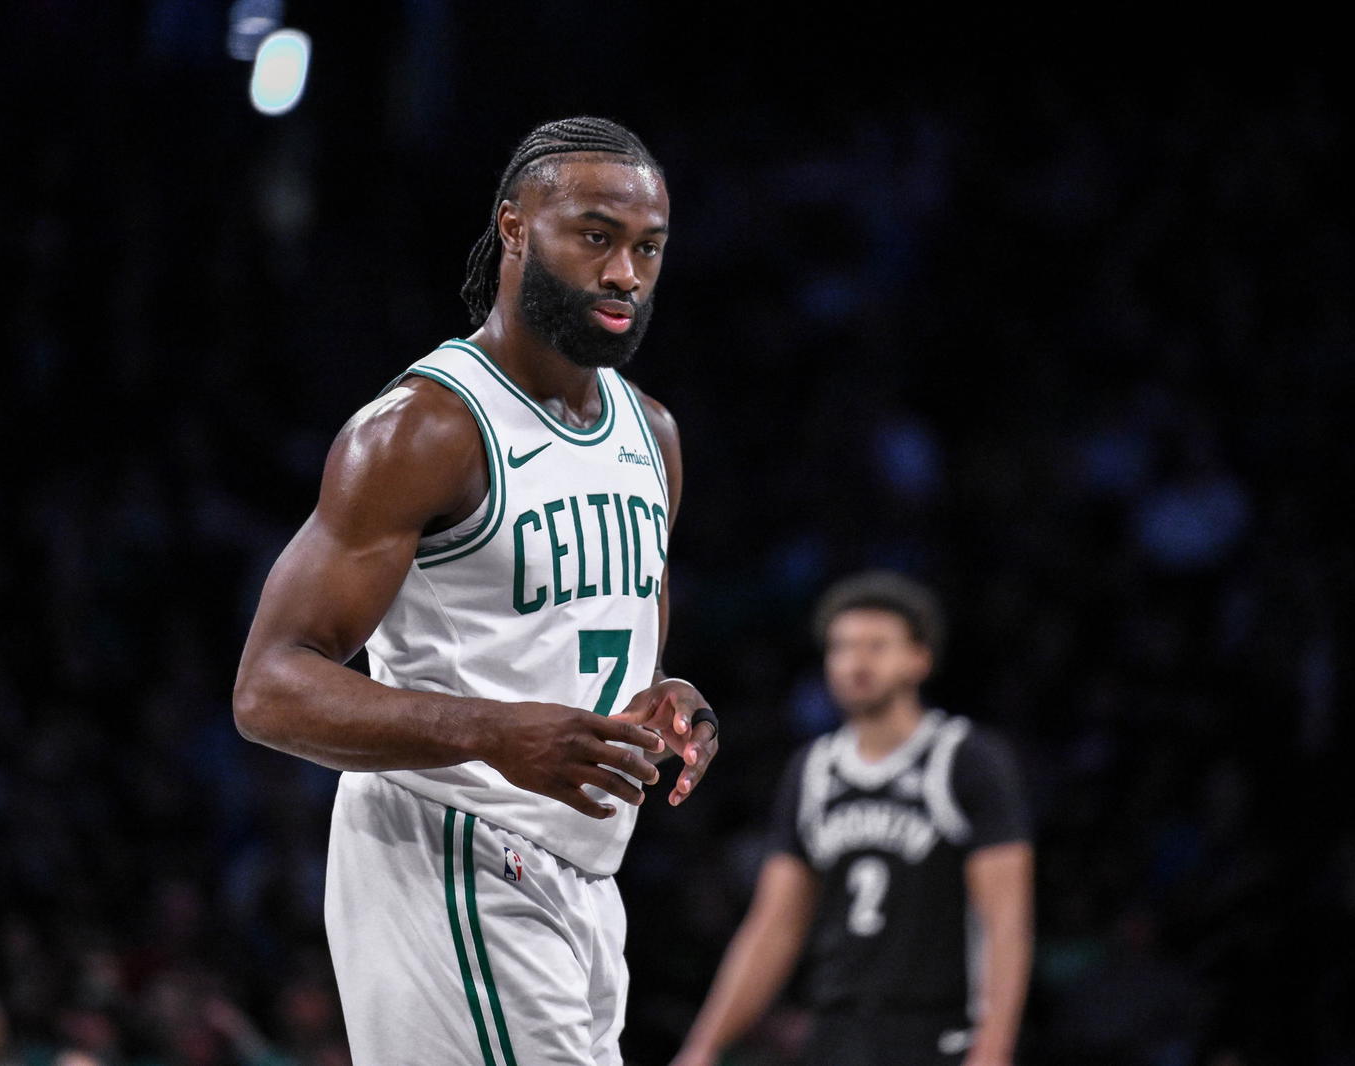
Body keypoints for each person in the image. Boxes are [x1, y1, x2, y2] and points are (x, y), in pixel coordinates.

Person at [232, 117, 717, 1066]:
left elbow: (616, 618)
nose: (625, 272)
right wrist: (491, 731)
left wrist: (664, 697)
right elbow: (268, 688)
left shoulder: (649, 432)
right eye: (596, 236)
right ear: (514, 230)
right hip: (452, 849)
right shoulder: (425, 429)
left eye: (648, 248)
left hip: (581, 876)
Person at [671, 572, 1031, 1066]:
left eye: (877, 646)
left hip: (939, 1035)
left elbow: (1006, 923)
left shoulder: (966, 758)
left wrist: (992, 1050)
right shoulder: (813, 768)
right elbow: (774, 926)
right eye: (842, 647)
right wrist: (703, 1047)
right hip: (836, 1034)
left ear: (919, 659)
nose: (856, 663)